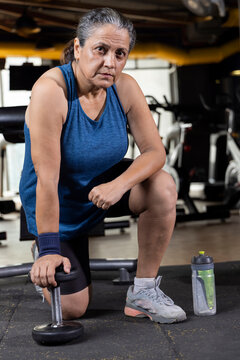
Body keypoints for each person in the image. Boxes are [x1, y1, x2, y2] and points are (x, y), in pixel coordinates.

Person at [20, 7, 186, 324]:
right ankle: (44, 248)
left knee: (162, 185)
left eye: (120, 53)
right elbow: (46, 180)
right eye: (101, 50)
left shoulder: (124, 87)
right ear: (79, 49)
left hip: (102, 191)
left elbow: (154, 152)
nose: (111, 62)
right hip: (59, 203)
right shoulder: (51, 92)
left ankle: (143, 291)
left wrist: (119, 185)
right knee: (73, 309)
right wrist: (50, 247)